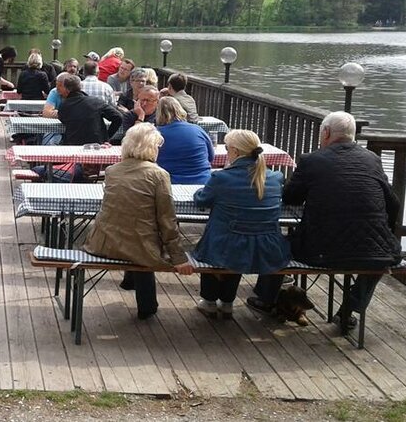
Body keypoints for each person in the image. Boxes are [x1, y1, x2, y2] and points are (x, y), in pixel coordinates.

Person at [248, 112, 401, 328]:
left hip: (321, 251)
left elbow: (290, 197)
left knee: (277, 244)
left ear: (326, 133)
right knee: (380, 260)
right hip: (372, 250)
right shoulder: (372, 159)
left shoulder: (312, 160)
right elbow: (393, 203)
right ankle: (348, 310)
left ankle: (266, 298)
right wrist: (385, 231)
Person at [82, 123, 194, 319]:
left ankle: (129, 281)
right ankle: (147, 306)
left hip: (104, 242)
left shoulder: (112, 171)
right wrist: (178, 257)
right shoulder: (159, 175)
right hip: (140, 247)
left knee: (129, 226)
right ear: (152, 147)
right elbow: (167, 220)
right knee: (143, 241)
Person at [191, 129, 290, 318]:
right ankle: (227, 302)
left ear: (235, 151)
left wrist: (198, 192)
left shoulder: (222, 178)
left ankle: (210, 301)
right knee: (237, 235)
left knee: (218, 240)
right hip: (267, 248)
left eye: (227, 148)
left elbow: (202, 200)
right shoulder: (275, 178)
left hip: (226, 247)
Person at [155, 96, 214, 184]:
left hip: (170, 183)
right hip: (203, 181)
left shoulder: (155, 134)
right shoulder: (198, 130)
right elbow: (211, 157)